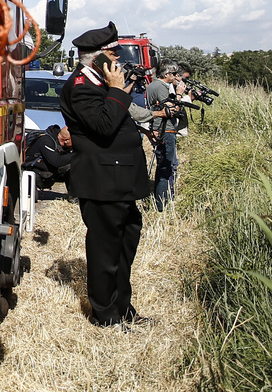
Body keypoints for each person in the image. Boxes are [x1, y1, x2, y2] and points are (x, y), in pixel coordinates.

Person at [59, 21, 154, 328]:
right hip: (102, 183)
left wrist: (115, 92)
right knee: (105, 251)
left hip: (120, 181)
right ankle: (106, 316)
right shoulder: (80, 87)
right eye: (113, 56)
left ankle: (124, 308)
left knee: (125, 243)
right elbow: (104, 126)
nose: (117, 62)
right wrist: (116, 92)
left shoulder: (98, 86)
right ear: (98, 58)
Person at [145, 63, 180, 210]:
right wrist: (178, 95)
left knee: (163, 165)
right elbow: (170, 109)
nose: (175, 77)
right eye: (173, 74)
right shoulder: (161, 87)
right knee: (166, 167)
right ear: (166, 75)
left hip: (159, 128)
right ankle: (162, 203)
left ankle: (161, 200)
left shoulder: (152, 85)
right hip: (166, 130)